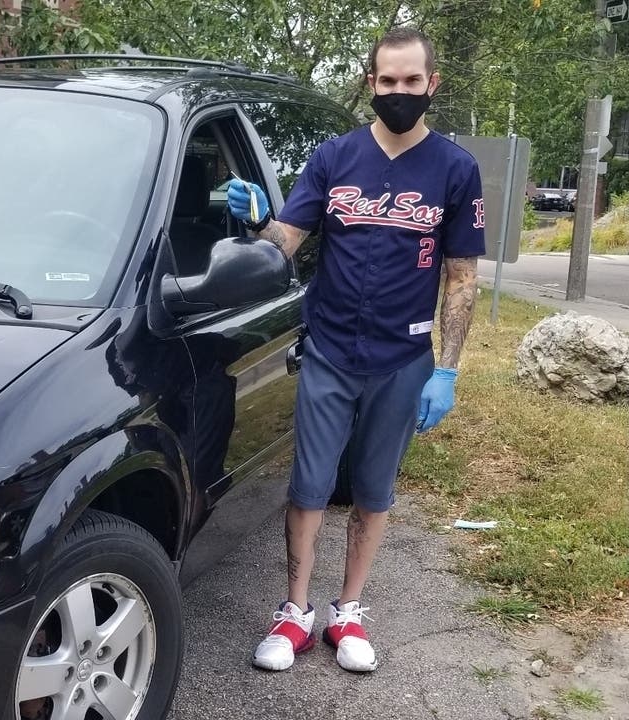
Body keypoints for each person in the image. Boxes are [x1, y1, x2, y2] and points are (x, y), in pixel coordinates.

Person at [227, 27, 486, 673]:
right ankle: (294, 614)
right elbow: (287, 239)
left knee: (374, 491)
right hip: (331, 352)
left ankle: (347, 612)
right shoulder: (333, 158)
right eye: (387, 80)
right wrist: (259, 221)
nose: (399, 92)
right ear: (371, 83)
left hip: (403, 360)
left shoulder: (456, 169)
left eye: (411, 81)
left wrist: (446, 371)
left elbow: (461, 277)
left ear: (432, 84)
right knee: (308, 488)